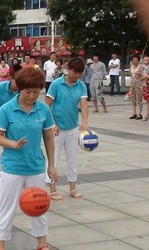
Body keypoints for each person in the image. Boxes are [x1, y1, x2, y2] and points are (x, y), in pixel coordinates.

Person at [0, 68, 58, 250]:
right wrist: (13, 144)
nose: (31, 96)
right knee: (6, 207)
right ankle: (0, 247)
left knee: (39, 206)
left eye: (36, 92)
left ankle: (42, 244)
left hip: (36, 166)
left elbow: (48, 136)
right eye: (27, 92)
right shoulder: (6, 109)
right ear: (19, 90)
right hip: (12, 167)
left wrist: (51, 165)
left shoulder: (43, 109)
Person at [44, 58, 89, 201]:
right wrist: (52, 124)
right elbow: (47, 106)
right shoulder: (56, 84)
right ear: (67, 68)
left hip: (72, 127)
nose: (76, 75)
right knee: (53, 159)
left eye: (79, 73)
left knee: (72, 159)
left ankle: (73, 187)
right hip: (56, 128)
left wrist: (85, 122)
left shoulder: (81, 86)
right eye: (74, 71)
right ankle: (52, 188)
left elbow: (84, 103)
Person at [129, 54, 144, 119]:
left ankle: (139, 114)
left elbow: (143, 75)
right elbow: (131, 75)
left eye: (135, 59)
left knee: (139, 99)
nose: (134, 61)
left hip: (139, 84)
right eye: (133, 59)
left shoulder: (141, 67)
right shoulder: (131, 67)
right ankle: (134, 113)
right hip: (132, 84)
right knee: (133, 99)